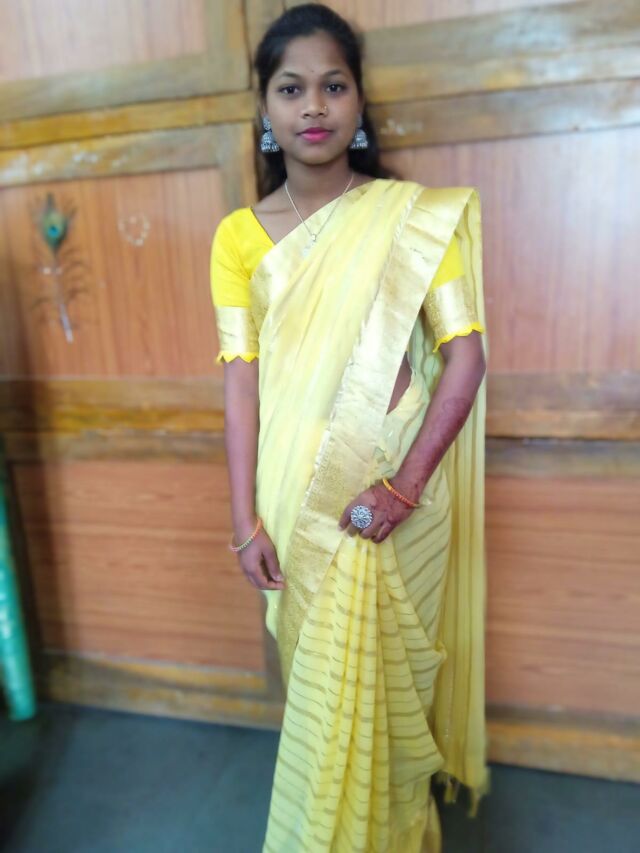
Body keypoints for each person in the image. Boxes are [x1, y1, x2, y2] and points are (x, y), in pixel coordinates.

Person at [209, 4, 490, 851]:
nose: (313, 106)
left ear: (360, 102)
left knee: (386, 698)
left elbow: (466, 359)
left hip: (391, 493)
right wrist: (243, 520)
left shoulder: (411, 219)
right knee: (328, 701)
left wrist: (403, 488)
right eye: (291, 89)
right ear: (265, 108)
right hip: (294, 499)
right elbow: (240, 386)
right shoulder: (239, 238)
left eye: (333, 86)